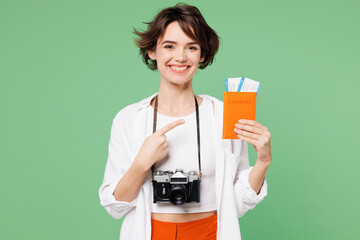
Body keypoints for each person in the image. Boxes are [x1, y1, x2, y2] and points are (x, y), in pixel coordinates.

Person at [99, 3, 271, 240]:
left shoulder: (222, 115)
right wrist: (142, 163)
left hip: (211, 231)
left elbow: (238, 205)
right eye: (169, 46)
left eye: (191, 47)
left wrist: (263, 161)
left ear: (202, 54)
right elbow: (114, 207)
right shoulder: (129, 119)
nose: (180, 57)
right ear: (152, 51)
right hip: (150, 232)